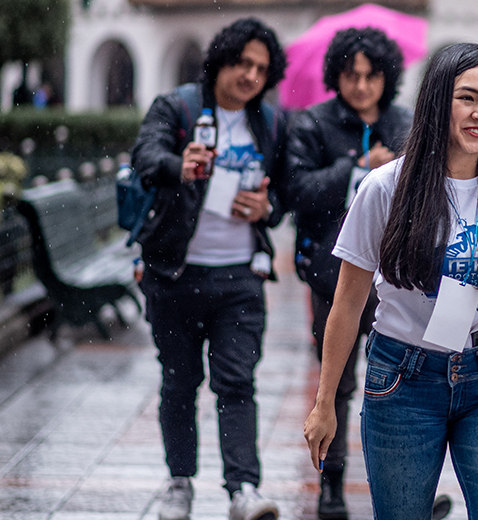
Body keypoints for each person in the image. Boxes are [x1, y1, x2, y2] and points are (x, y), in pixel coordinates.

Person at [303, 42, 478, 520]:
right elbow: (347, 302)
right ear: (436, 100)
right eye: (467, 97)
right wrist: (325, 404)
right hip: (403, 378)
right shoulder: (386, 187)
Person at [131, 17, 288, 520]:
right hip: (174, 273)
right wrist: (178, 162)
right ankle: (180, 484)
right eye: (242, 62)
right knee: (179, 383)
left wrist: (268, 209)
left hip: (239, 277)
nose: (250, 76)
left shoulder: (271, 122)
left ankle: (243, 489)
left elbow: (287, 191)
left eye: (261, 69)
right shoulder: (178, 107)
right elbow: (144, 155)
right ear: (221, 60)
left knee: (237, 382)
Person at [283, 27, 414, 520]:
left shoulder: (405, 124)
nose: (361, 85)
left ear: (387, 77)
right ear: (336, 75)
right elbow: (297, 191)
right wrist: (358, 169)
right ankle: (330, 486)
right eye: (351, 75)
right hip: (329, 274)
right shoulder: (314, 124)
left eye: (371, 75)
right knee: (334, 383)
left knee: (401, 382)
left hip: (399, 276)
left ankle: (407, 486)